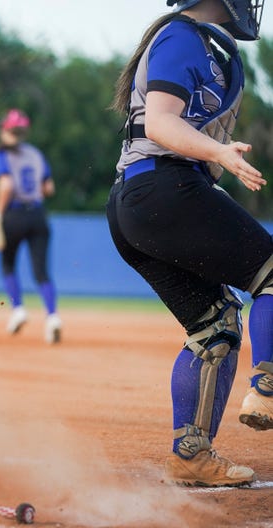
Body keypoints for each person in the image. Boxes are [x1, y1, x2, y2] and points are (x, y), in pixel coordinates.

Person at [107, 0, 272, 488]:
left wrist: (212, 165)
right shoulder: (184, 36)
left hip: (141, 199)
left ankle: (190, 453)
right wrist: (218, 152)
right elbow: (159, 123)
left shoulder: (211, 47)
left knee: (214, 325)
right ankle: (266, 386)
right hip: (160, 189)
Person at [0, 109, 62, 344]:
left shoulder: (1, 154)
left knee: (8, 263)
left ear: (5, 131)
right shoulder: (35, 153)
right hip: (38, 214)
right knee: (41, 270)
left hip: (14, 214)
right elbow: (48, 188)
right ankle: (52, 317)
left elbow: (6, 184)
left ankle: (18, 308)